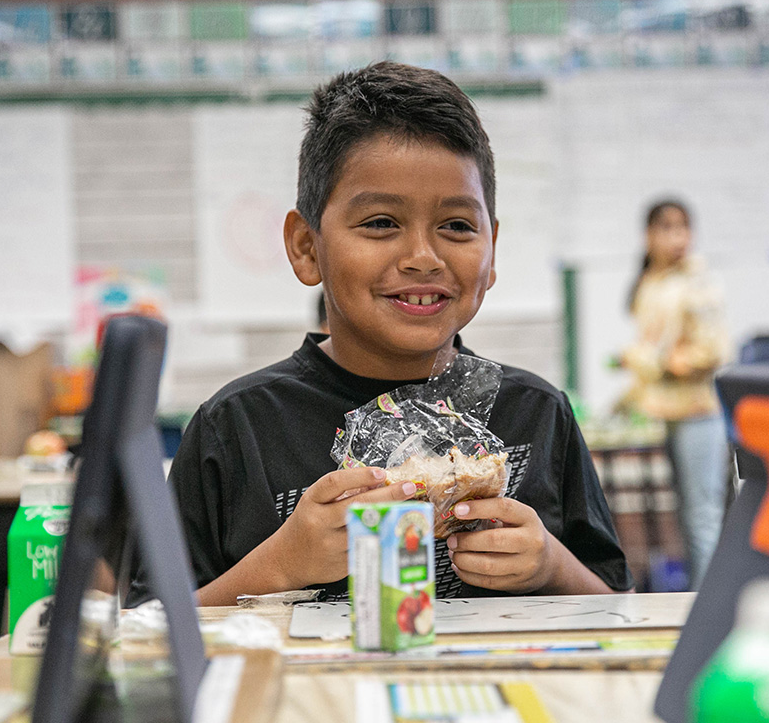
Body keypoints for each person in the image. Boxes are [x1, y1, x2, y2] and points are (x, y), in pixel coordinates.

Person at [166, 62, 632, 605]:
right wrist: (278, 565)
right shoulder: (235, 428)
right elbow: (149, 632)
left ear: (493, 249)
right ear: (306, 247)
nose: (423, 258)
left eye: (457, 226)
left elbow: (620, 607)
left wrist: (550, 565)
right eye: (381, 223)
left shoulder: (536, 413)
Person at [620, 199, 731, 591]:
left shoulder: (697, 281)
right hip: (663, 410)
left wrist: (654, 363)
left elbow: (713, 352)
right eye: (666, 228)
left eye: (684, 227)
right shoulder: (651, 280)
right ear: (648, 235)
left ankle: (709, 608)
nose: (677, 238)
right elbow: (651, 345)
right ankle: (694, 603)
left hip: (699, 412)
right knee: (681, 517)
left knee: (702, 518)